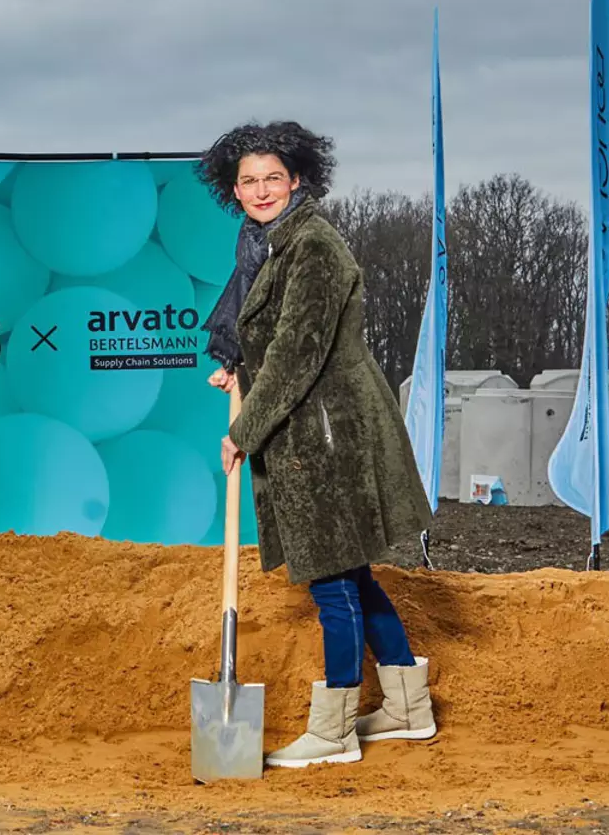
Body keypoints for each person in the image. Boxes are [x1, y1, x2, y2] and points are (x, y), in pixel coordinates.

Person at [199, 120, 437, 769]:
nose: (261, 189)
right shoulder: (269, 246)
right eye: (248, 181)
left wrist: (242, 432)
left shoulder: (314, 248)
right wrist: (238, 368)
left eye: (273, 177)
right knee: (352, 573)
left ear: (298, 178)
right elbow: (272, 335)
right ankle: (409, 709)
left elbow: (300, 354)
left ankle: (333, 729)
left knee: (332, 580)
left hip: (331, 435)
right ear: (235, 191)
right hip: (317, 426)